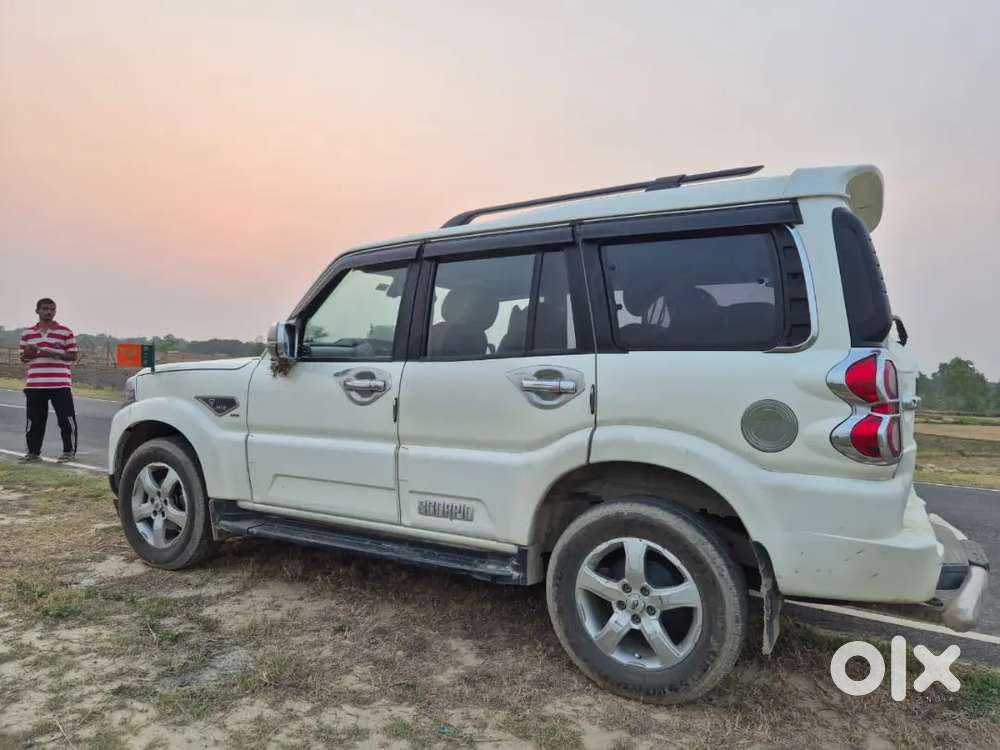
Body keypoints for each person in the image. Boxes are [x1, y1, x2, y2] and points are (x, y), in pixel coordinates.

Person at [18, 298, 80, 463]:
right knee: (34, 420)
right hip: (35, 384)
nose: (49, 312)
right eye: (45, 309)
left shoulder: (65, 332)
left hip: (60, 384)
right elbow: (23, 359)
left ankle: (69, 452)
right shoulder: (27, 334)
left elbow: (73, 356)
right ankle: (33, 453)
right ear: (37, 311)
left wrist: (55, 352)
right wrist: (30, 352)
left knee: (66, 419)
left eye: (52, 309)